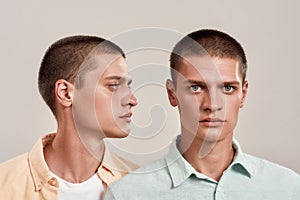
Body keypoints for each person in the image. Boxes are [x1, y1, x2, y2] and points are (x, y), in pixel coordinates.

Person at [104, 29, 300, 199]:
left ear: (243, 94)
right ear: (172, 94)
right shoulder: (128, 194)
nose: (213, 105)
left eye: (228, 88)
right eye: (196, 87)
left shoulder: (288, 187)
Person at [0, 35, 138, 199]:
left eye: (128, 86)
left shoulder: (142, 187)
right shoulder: (5, 185)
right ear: (65, 93)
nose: (132, 100)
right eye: (114, 85)